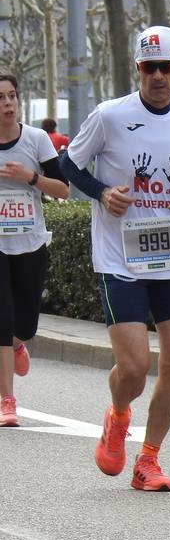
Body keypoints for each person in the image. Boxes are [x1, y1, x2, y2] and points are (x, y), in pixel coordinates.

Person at [60, 26, 170, 491]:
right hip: (120, 259)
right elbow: (68, 163)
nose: (158, 76)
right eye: (149, 67)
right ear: (138, 69)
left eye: (166, 67)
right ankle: (117, 415)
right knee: (133, 367)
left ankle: (148, 461)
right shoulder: (110, 115)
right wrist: (101, 192)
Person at [0, 75, 71, 427]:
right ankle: (7, 400)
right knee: (2, 319)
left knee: (23, 324)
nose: (8, 104)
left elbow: (64, 190)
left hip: (29, 242)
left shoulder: (36, 139)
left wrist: (31, 178)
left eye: (12, 96)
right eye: (0, 98)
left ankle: (17, 344)